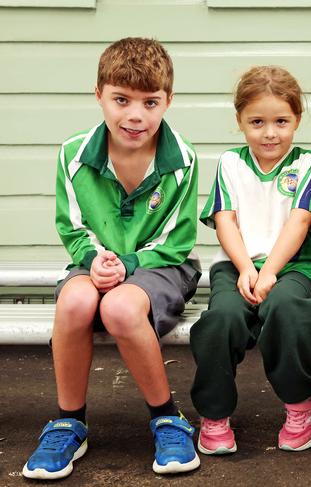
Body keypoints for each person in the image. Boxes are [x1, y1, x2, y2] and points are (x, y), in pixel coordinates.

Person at [22, 38, 201, 479]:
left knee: (120, 307)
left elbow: (177, 236)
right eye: (121, 99)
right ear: (98, 94)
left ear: (168, 101)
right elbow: (72, 224)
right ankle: (69, 422)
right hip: (95, 261)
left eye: (150, 102)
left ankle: (167, 417)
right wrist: (94, 258)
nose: (135, 115)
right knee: (76, 302)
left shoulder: (182, 159)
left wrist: (129, 264)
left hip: (160, 264)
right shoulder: (74, 153)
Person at [190, 66, 311, 456]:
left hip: (292, 266)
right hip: (236, 265)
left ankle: (302, 399)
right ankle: (214, 414)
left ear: (297, 120)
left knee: (287, 310)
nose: (270, 133)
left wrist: (269, 271)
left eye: (281, 121)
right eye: (257, 122)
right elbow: (224, 220)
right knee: (222, 320)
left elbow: (299, 222)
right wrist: (248, 269)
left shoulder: (307, 164)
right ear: (240, 122)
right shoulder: (230, 163)